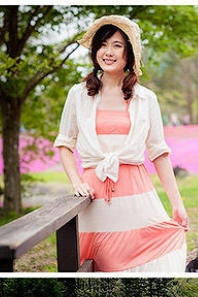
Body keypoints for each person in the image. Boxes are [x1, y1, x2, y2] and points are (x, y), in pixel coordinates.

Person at [54, 15, 188, 272]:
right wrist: (77, 183)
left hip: (137, 196)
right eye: (103, 45)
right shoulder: (78, 94)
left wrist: (177, 204)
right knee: (98, 264)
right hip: (94, 198)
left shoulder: (146, 98)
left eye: (117, 45)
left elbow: (159, 153)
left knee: (149, 261)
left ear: (129, 54)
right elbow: (65, 144)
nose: (108, 52)